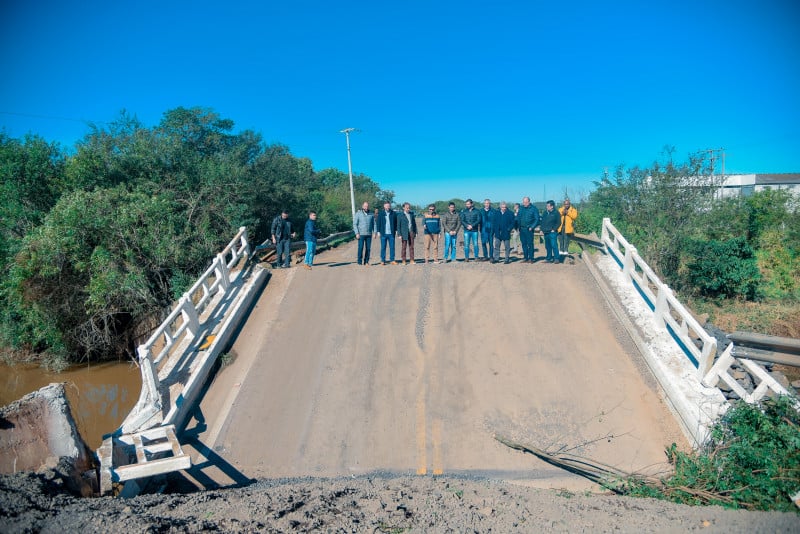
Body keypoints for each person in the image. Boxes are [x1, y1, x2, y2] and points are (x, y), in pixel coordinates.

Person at [517, 196, 541, 263]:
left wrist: (532, 227)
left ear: (529, 202)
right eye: (523, 202)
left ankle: (531, 258)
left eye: (526, 202)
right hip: (522, 229)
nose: (524, 203)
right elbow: (518, 217)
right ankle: (525, 257)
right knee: (523, 244)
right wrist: (517, 227)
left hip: (529, 229)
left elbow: (537, 219)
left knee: (530, 244)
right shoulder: (521, 208)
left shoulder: (534, 209)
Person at [375, 201, 398, 265]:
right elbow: (378, 223)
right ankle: (383, 260)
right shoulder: (381, 213)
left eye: (389, 206)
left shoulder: (393, 213)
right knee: (383, 247)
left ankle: (392, 260)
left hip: (391, 233)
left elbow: (396, 223)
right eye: (386, 206)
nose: (388, 207)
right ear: (384, 206)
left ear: (390, 206)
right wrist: (378, 232)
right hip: (383, 233)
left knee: (392, 247)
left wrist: (396, 231)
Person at [353, 201, 374, 266]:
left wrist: (375, 232)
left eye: (367, 206)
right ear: (362, 206)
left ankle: (366, 261)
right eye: (365, 206)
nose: (366, 207)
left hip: (369, 234)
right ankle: (359, 261)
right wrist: (357, 233)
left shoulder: (371, 214)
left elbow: (374, 224)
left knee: (368, 248)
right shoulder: (358, 214)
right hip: (361, 234)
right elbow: (355, 224)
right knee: (360, 248)